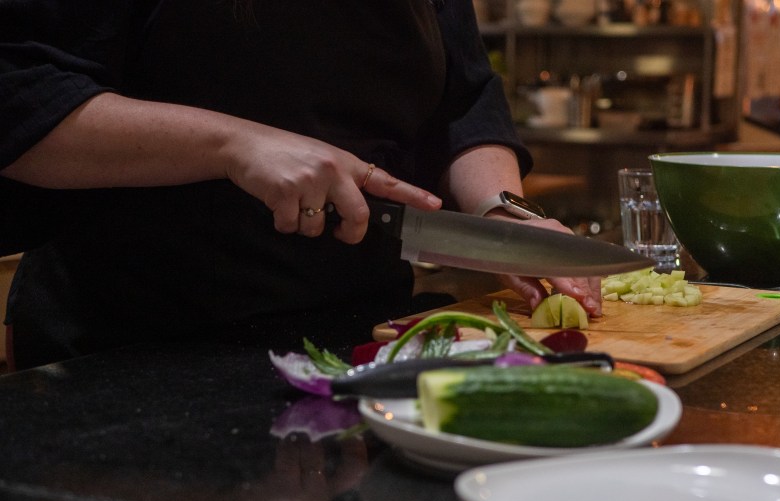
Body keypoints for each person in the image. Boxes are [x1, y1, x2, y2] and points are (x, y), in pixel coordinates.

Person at [0, 0, 602, 370]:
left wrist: (504, 212)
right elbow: (17, 87)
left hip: (358, 342)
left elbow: (465, 99)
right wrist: (236, 145)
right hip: (133, 350)